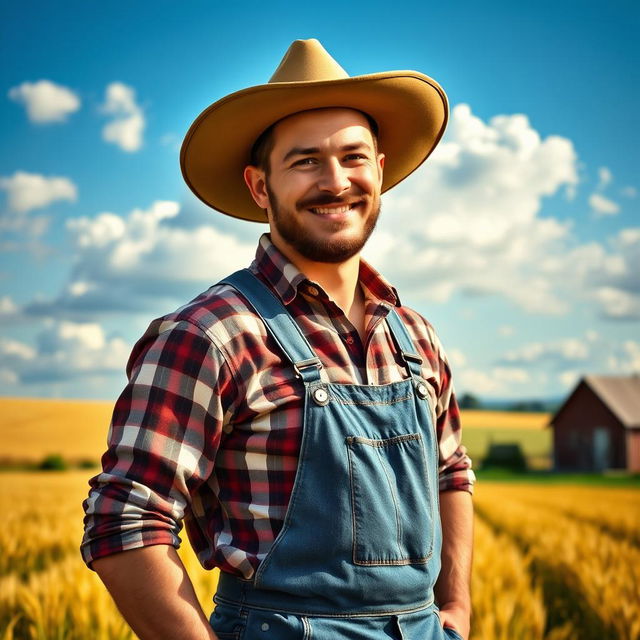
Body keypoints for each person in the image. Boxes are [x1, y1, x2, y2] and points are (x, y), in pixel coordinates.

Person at [81, 39, 475, 640]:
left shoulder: (416, 337)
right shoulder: (211, 333)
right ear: (260, 187)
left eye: (354, 157)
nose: (336, 181)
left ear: (380, 170)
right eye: (306, 161)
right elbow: (125, 519)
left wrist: (457, 605)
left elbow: (450, 472)